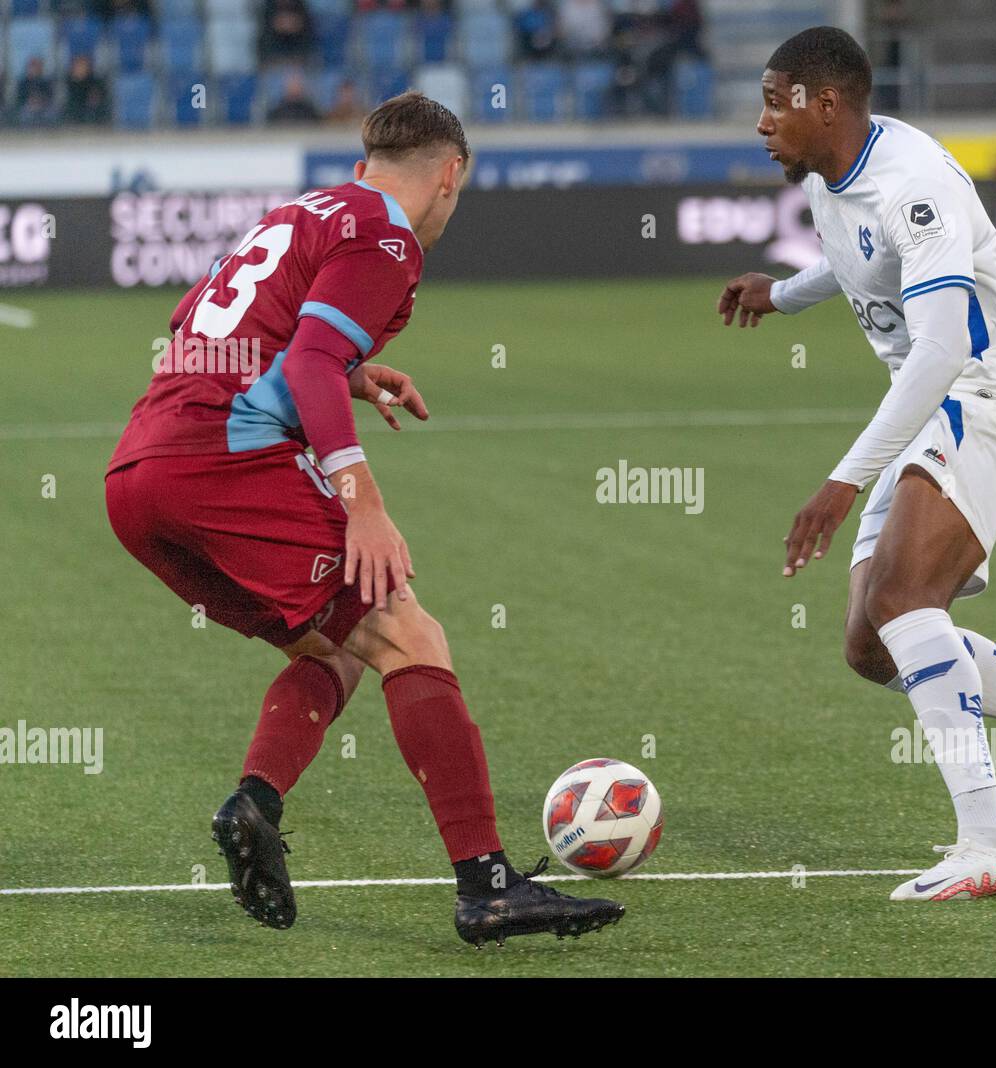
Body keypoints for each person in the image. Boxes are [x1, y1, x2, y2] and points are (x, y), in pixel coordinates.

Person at [105, 92, 625, 945]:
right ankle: (487, 886)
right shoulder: (385, 234)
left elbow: (202, 331)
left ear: (364, 165)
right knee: (409, 635)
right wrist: (363, 505)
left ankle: (254, 806)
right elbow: (307, 355)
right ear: (451, 175)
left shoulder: (301, 212)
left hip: (137, 476)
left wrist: (350, 374)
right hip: (218, 461)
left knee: (337, 651)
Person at [717, 28, 996, 902]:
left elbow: (942, 348)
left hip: (988, 391)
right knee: (871, 646)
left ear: (828, 104)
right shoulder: (827, 175)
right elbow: (856, 258)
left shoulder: (914, 185)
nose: (763, 122)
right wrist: (782, 292)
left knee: (899, 601)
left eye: (776, 102)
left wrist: (844, 481)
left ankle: (989, 843)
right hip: (940, 403)